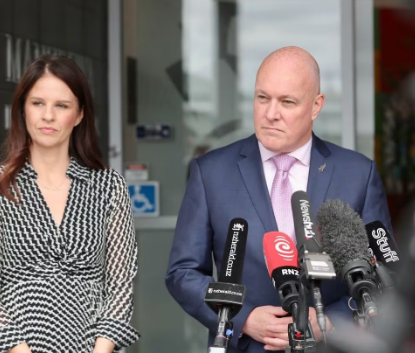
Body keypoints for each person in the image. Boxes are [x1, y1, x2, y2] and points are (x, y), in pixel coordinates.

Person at [165, 46, 393, 352]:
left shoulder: (357, 174)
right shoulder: (211, 172)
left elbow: (384, 275)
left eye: (287, 102)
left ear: (316, 106)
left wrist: (329, 320)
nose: (271, 113)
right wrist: (242, 317)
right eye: (262, 98)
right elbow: (183, 273)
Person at [0, 55, 139, 353]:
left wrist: (101, 350)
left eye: (62, 105)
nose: (48, 116)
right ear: (22, 110)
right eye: (37, 103)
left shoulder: (109, 186)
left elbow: (121, 286)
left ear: (80, 114)